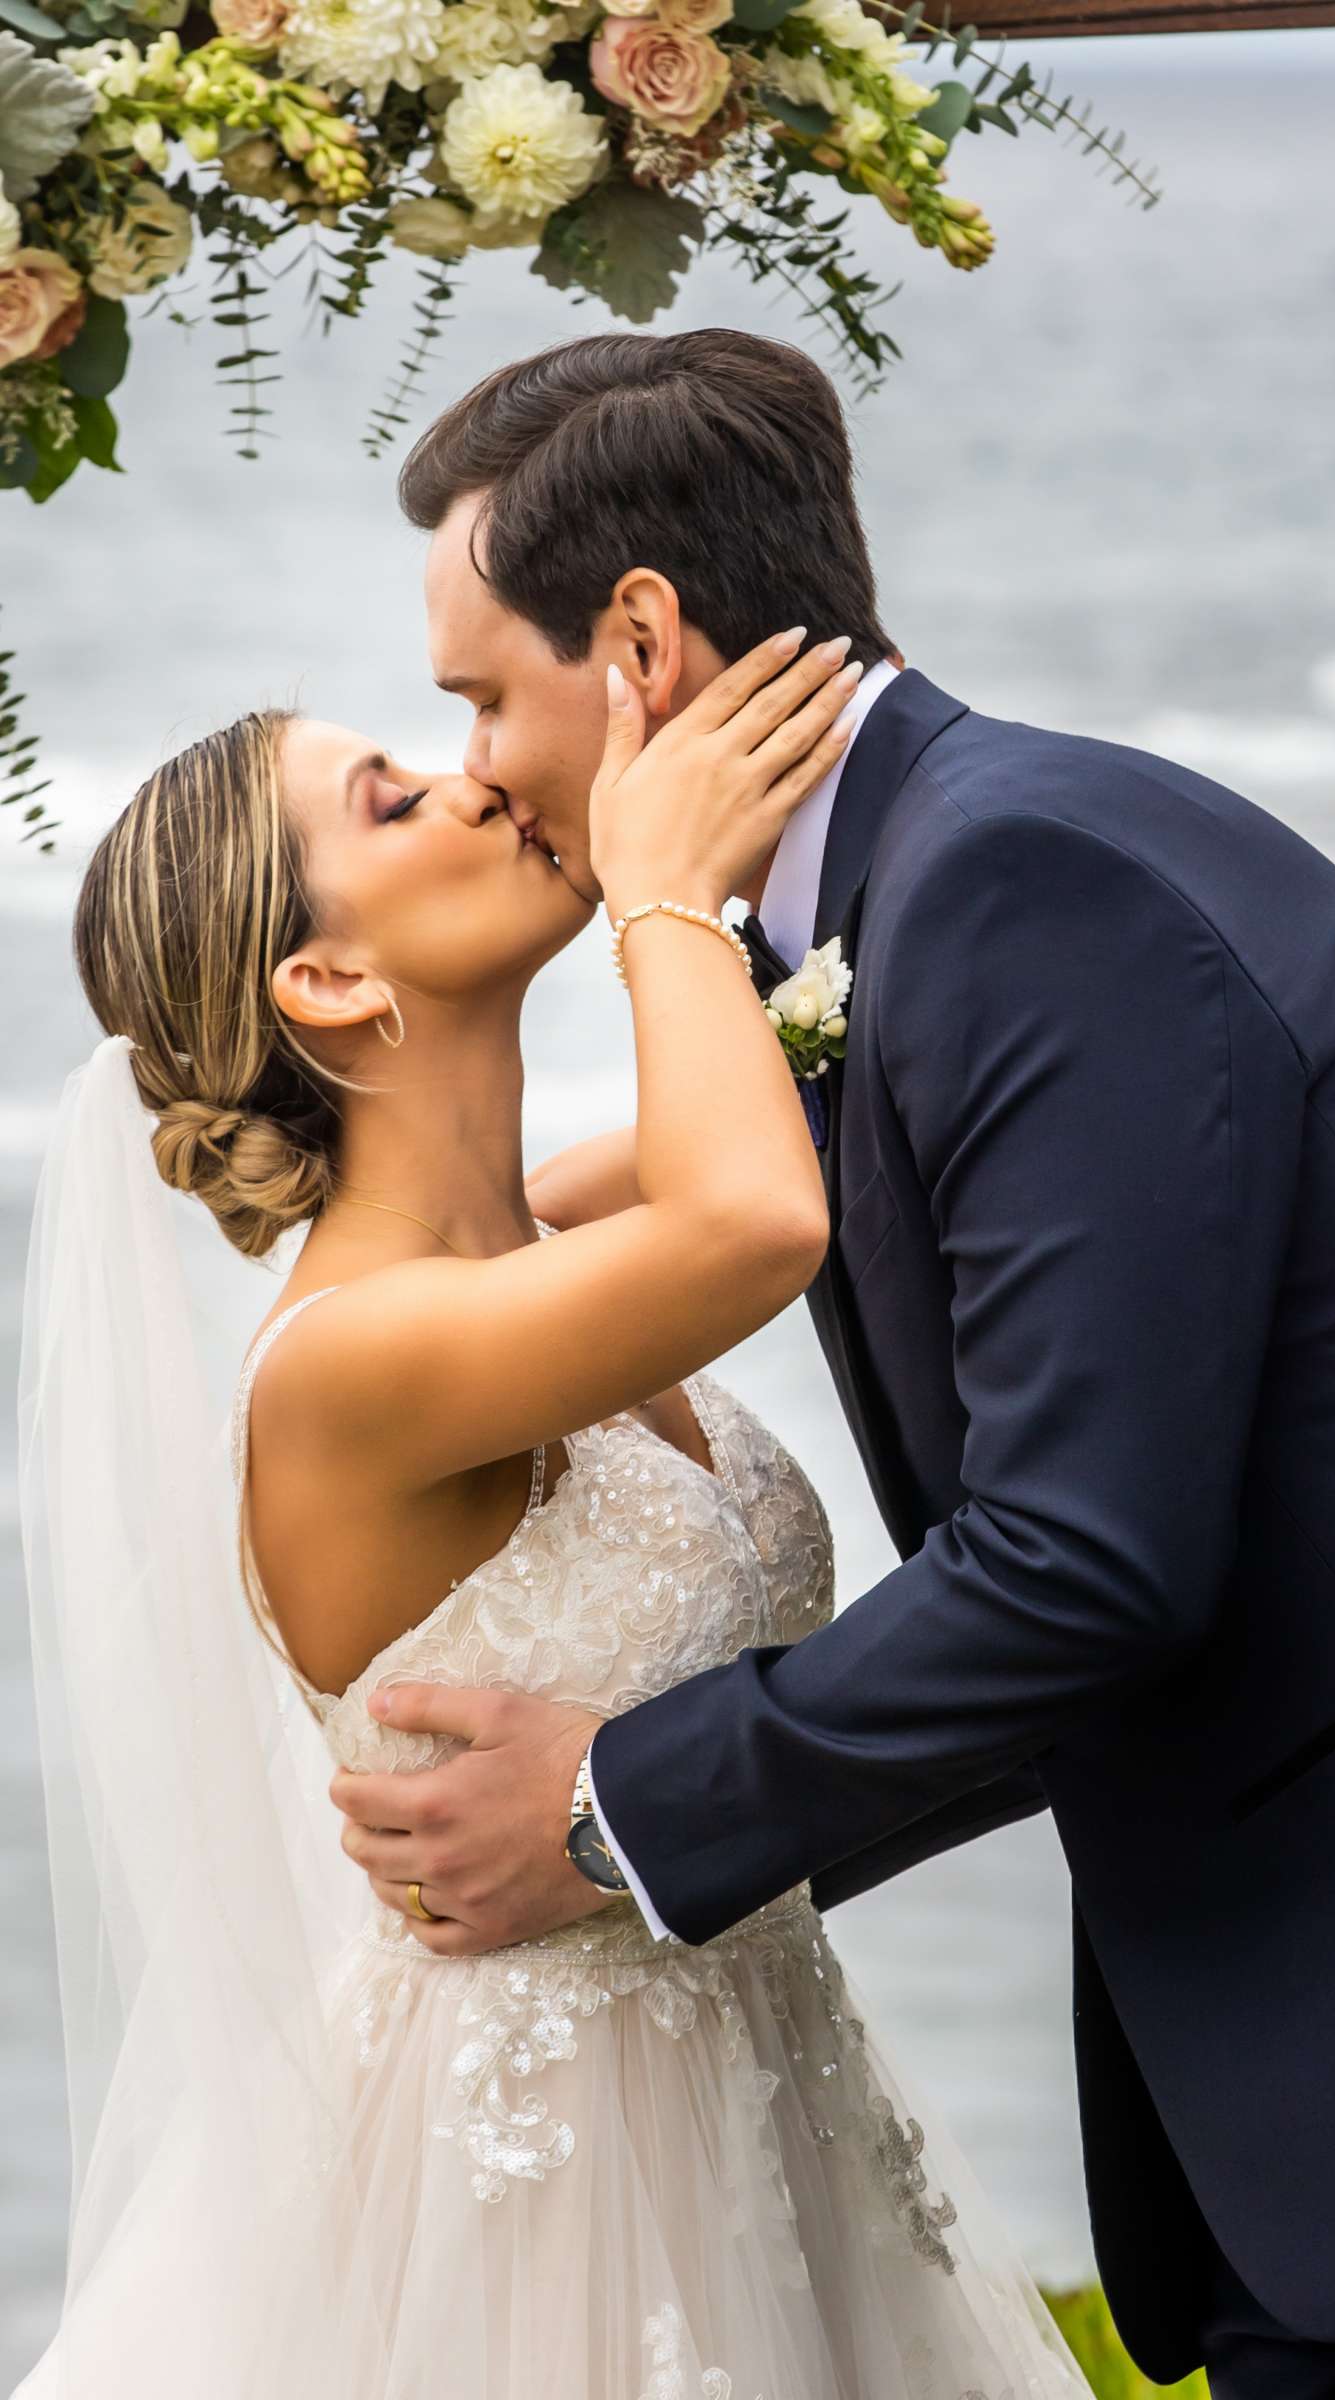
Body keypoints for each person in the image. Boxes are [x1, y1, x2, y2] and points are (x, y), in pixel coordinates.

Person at [330, 327, 1335, 2400]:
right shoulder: (898, 906)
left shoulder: (1019, 888)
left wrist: (608, 1808)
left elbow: (1085, 1565)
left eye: (484, 691)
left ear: (638, 641)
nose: (477, 761)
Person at [16, 640, 1088, 2394]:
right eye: (391, 798)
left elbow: (753, 1160)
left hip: (764, 2110)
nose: (476, 782)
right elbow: (759, 1224)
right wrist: (658, 892)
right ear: (331, 977)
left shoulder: (538, 1249)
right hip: (535, 2193)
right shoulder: (346, 1367)